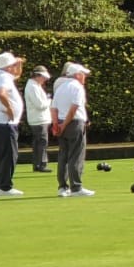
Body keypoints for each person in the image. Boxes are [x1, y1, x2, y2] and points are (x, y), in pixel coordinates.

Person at [52, 61, 95, 196]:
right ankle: (76, 187)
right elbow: (74, 109)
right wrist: (64, 125)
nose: (84, 77)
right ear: (77, 75)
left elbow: (53, 108)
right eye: (83, 74)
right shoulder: (77, 87)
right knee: (76, 155)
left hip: (61, 122)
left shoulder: (60, 87)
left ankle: (62, 187)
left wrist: (56, 125)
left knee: (63, 155)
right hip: (74, 123)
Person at [0, 50, 25, 197]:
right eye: (13, 64)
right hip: (5, 122)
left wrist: (19, 64)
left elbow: (17, 75)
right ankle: (5, 187)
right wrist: (9, 109)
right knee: (9, 155)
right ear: (7, 66)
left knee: (0, 155)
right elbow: (2, 93)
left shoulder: (1, 75)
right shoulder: (2, 78)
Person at [24, 66, 53, 172]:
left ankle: (37, 164)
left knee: (38, 142)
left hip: (38, 119)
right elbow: (40, 105)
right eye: (43, 77)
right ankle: (41, 164)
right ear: (38, 76)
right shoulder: (33, 86)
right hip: (39, 119)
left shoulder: (35, 85)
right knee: (42, 142)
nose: (45, 79)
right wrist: (49, 100)